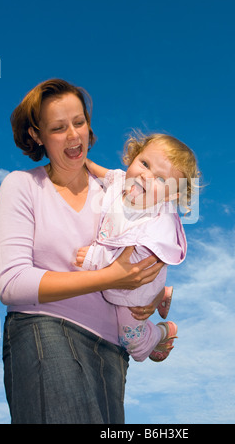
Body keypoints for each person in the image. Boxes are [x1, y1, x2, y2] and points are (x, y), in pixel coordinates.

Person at [0, 79, 165, 424]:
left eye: (79, 122)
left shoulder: (118, 194)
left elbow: (147, 251)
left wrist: (153, 295)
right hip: (44, 330)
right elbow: (10, 282)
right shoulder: (22, 186)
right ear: (37, 135)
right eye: (58, 128)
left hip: (112, 351)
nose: (74, 136)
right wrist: (110, 277)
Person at [75, 132, 198, 362]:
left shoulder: (154, 225)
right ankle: (164, 293)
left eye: (161, 179)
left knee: (132, 342)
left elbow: (132, 262)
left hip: (138, 288)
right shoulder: (123, 183)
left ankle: (163, 331)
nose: (145, 176)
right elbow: (108, 175)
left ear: (172, 195)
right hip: (128, 278)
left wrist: (95, 258)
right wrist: (85, 163)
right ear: (134, 156)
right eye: (144, 163)